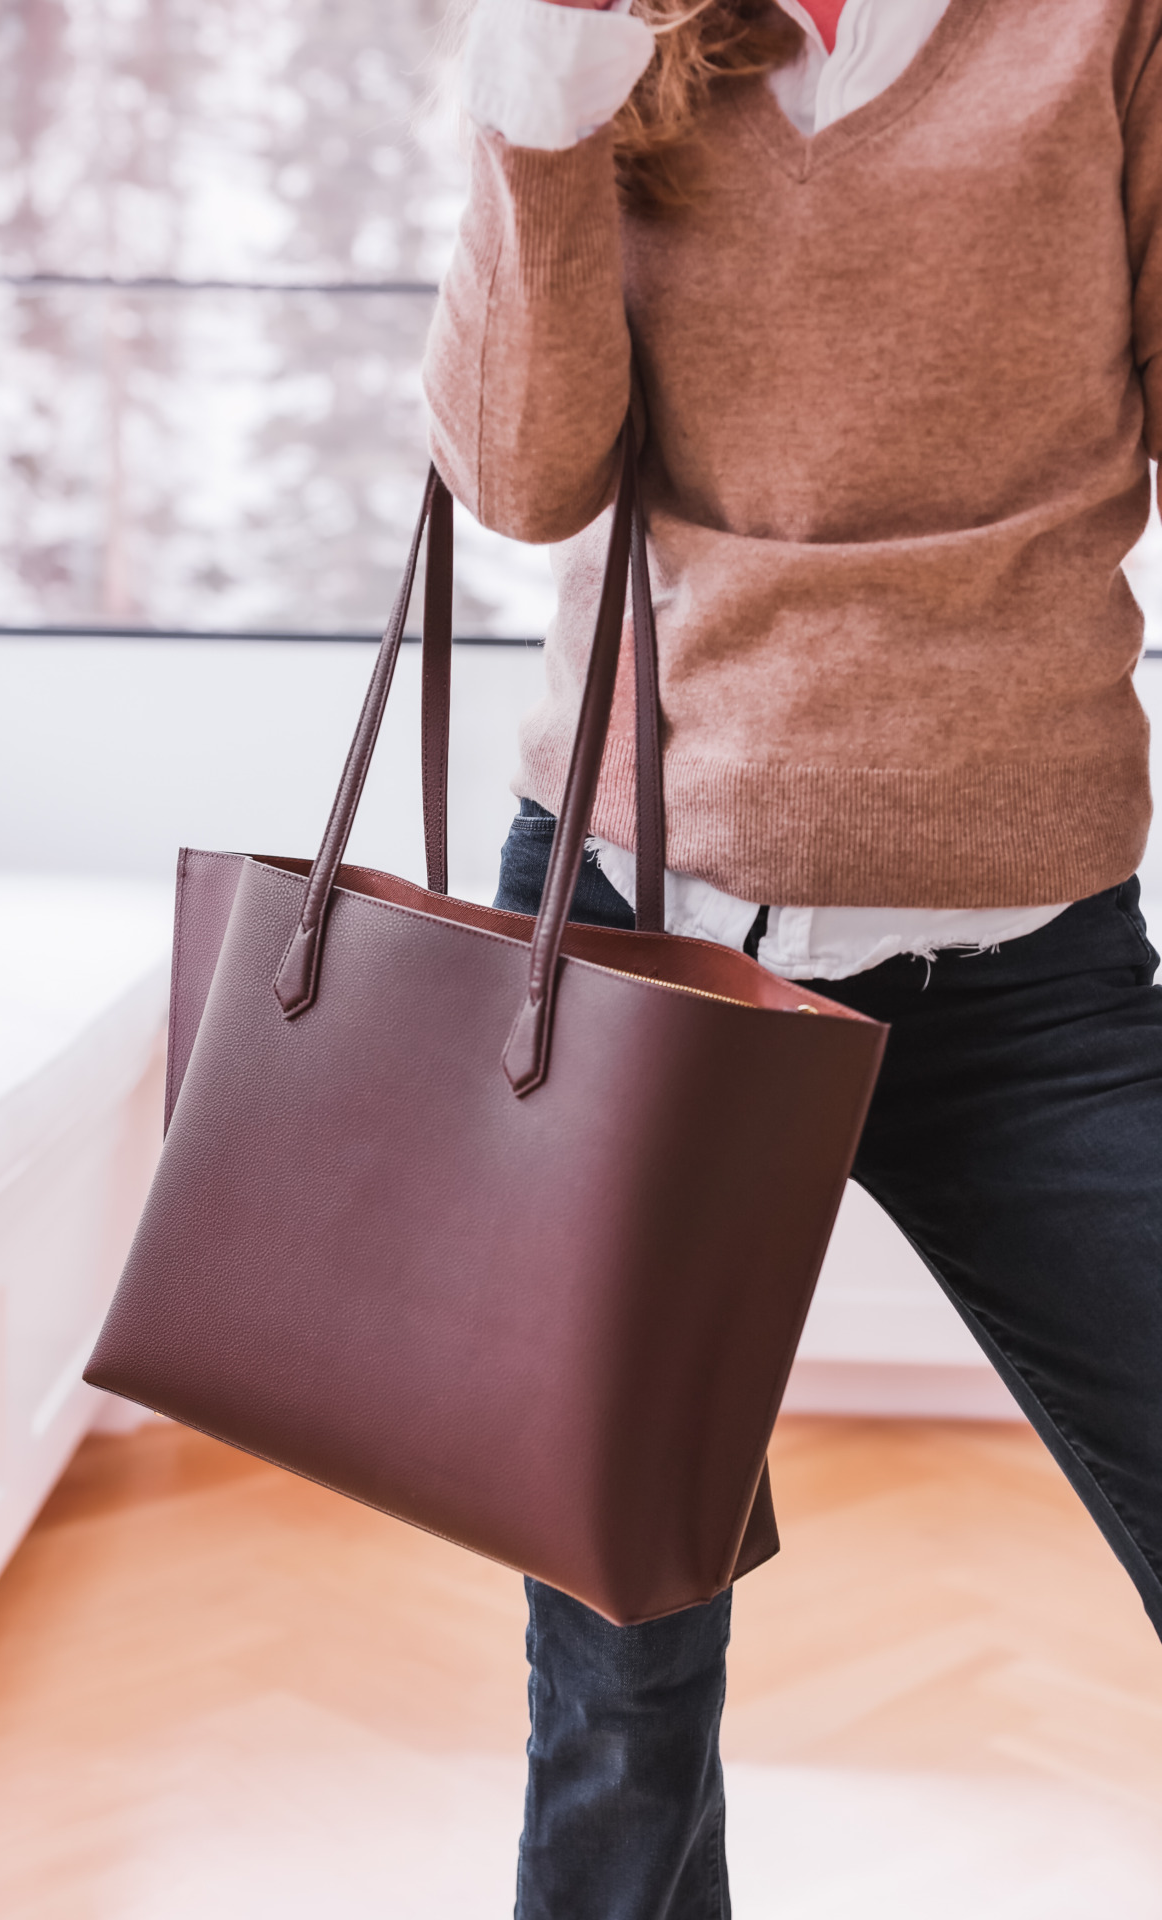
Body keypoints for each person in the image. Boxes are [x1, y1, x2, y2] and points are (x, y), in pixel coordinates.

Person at [422, 0, 1162, 1912]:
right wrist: (541, 115)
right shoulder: (623, 36)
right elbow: (519, 478)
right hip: (630, 937)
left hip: (1023, 960)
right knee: (619, 1686)